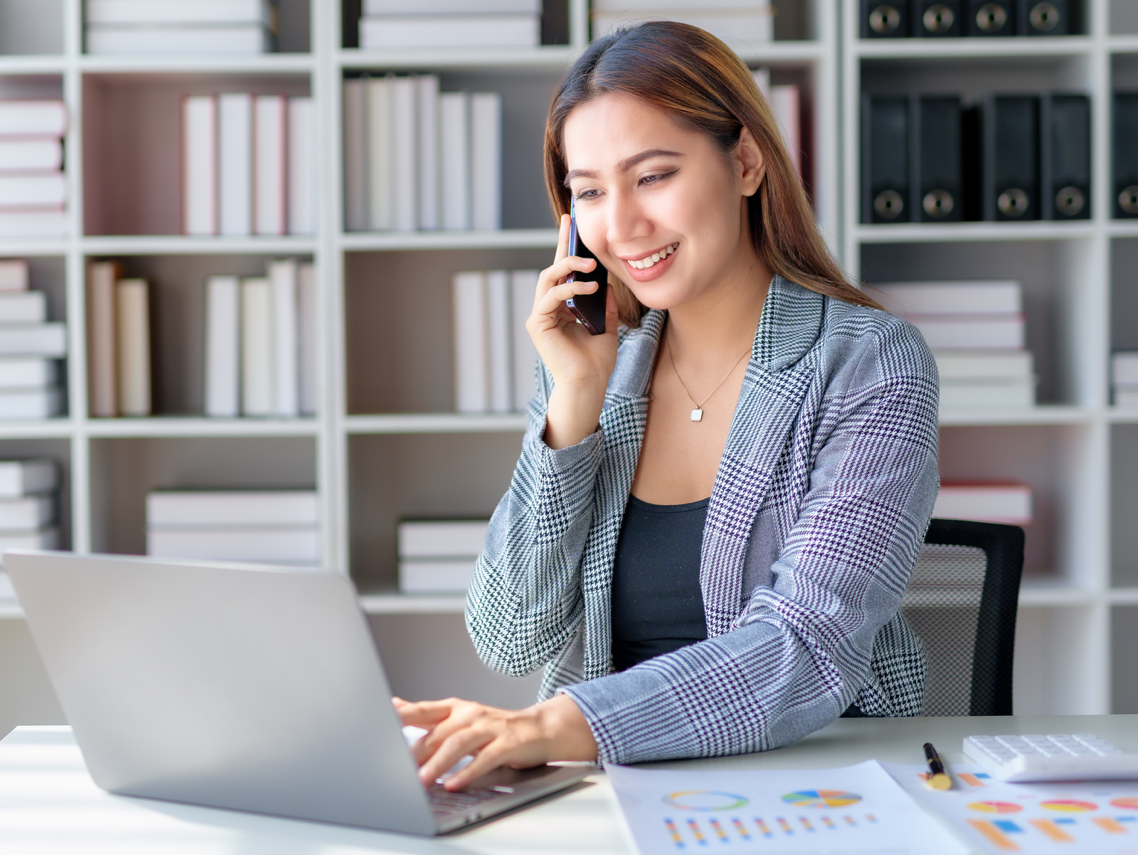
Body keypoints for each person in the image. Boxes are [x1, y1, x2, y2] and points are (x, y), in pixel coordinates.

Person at [395, 21, 939, 790]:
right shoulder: (598, 370)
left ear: (745, 161)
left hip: (819, 787)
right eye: (588, 192)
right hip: (614, 792)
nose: (620, 226)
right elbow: (512, 636)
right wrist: (574, 403)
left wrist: (558, 724)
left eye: (652, 176)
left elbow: (806, 648)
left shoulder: (867, 364)